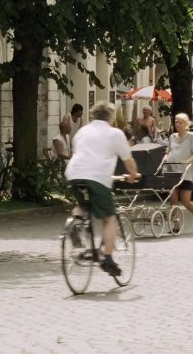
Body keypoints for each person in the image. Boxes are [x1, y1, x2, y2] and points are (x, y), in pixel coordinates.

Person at [64, 101, 140, 277]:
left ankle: (75, 224)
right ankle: (108, 258)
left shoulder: (82, 132)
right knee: (109, 217)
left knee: (83, 205)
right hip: (97, 177)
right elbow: (128, 160)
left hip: (75, 174)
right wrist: (133, 175)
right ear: (111, 118)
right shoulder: (114, 134)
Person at [163, 112, 193, 230]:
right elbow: (168, 151)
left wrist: (188, 160)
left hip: (186, 173)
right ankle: (176, 226)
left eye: (180, 122)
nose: (177, 124)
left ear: (186, 124)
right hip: (173, 171)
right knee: (173, 201)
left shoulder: (191, 136)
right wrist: (165, 158)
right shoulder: (172, 137)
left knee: (185, 201)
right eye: (176, 122)